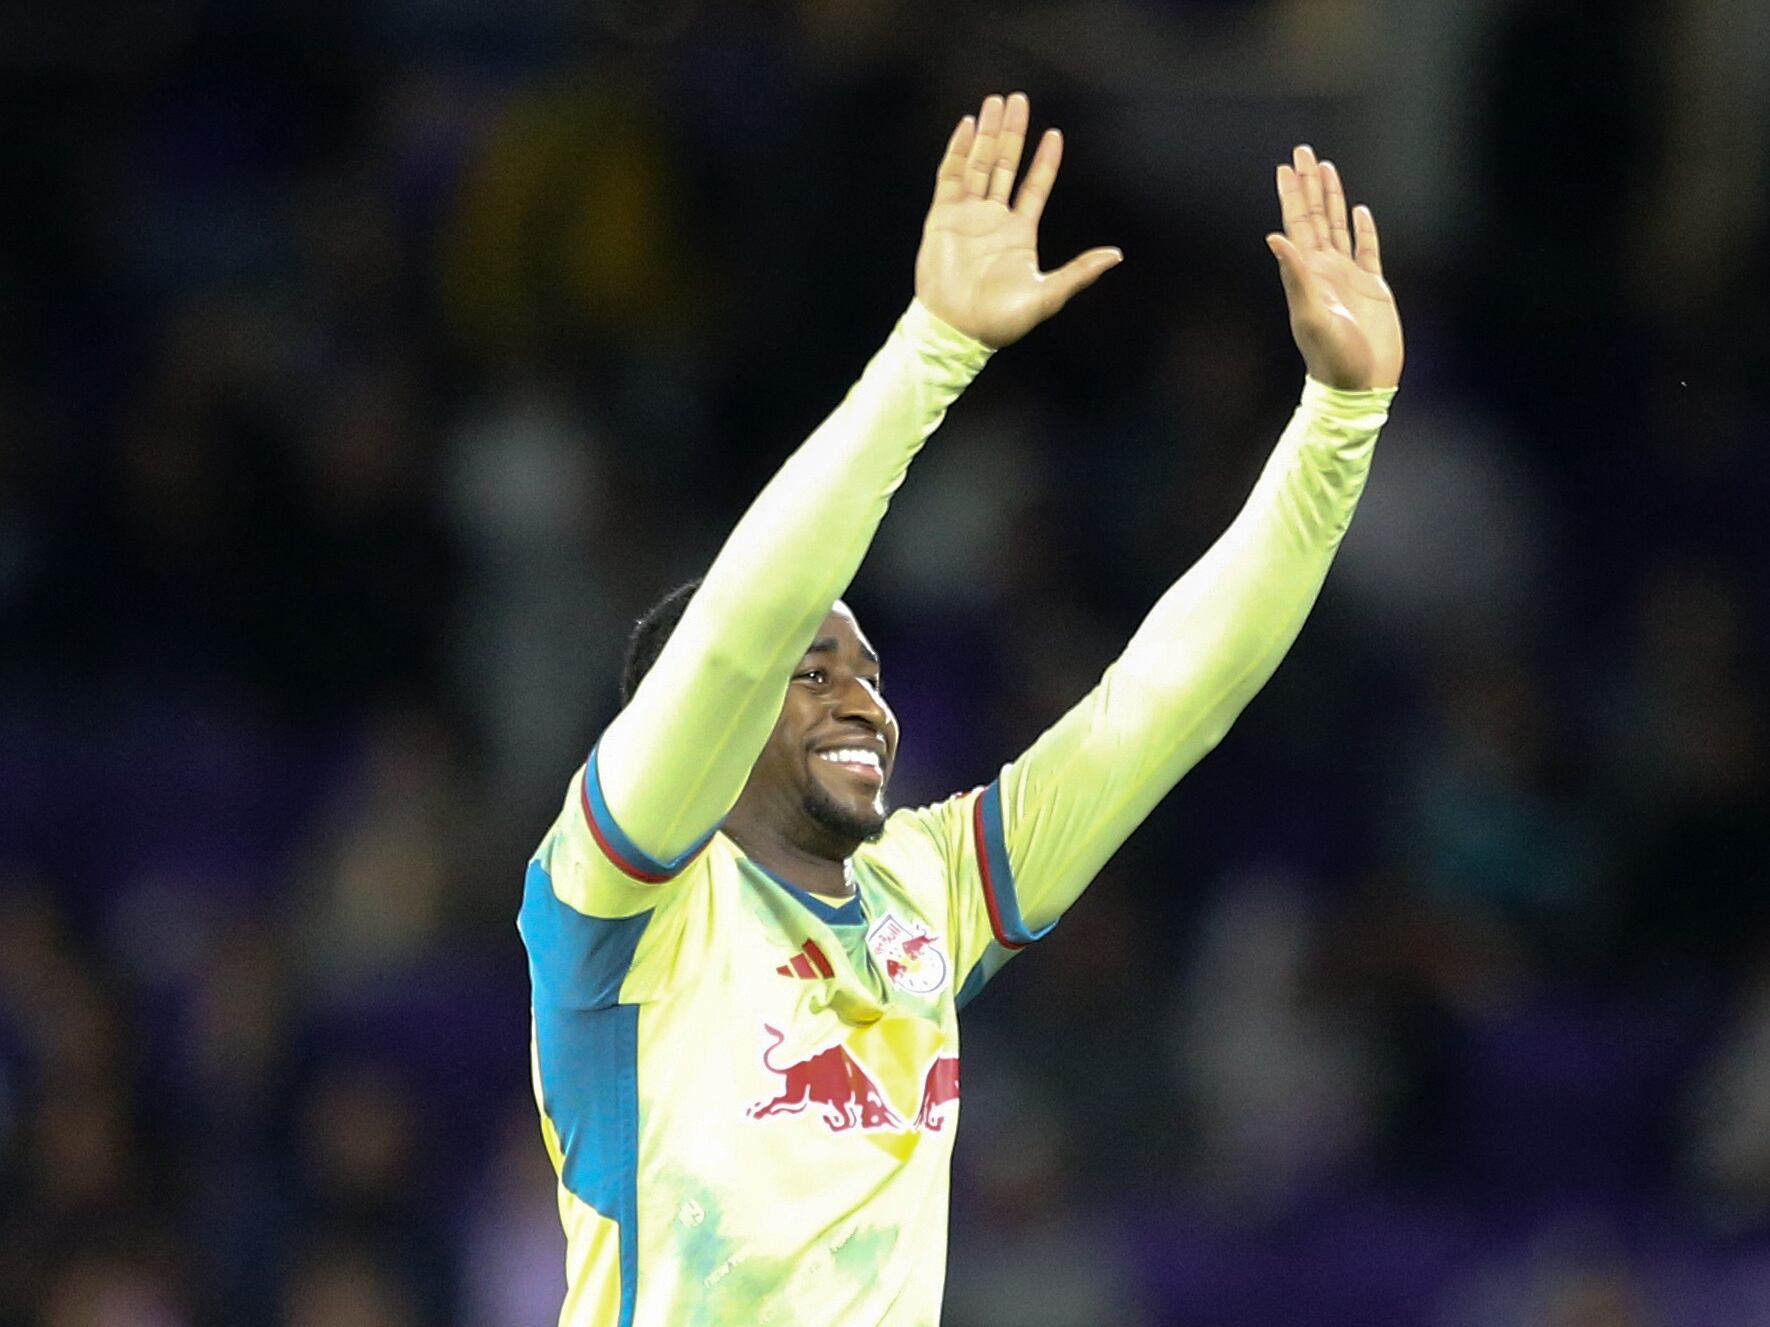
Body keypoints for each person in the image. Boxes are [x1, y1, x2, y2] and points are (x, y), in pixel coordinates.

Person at [518, 91, 1403, 1326]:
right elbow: (730, 641)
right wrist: (933, 350)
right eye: (815, 670)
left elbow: (1162, 703)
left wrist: (1339, 426)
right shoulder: (622, 906)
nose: (864, 701)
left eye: (870, 670)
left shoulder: (925, 892)